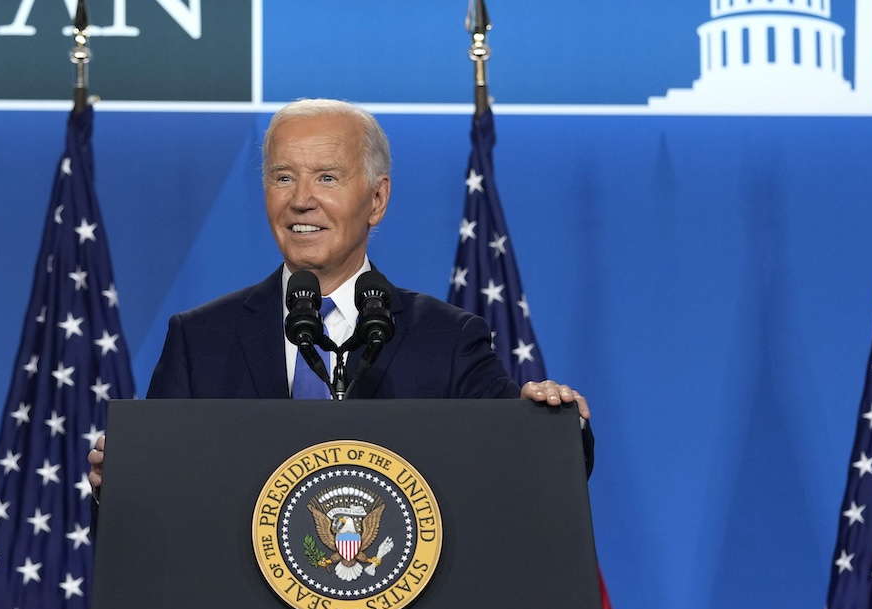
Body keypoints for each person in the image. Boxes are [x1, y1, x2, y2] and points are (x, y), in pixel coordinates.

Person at [88, 99, 591, 491]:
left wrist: (554, 423)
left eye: (326, 177)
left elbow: (525, 467)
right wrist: (123, 487)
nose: (301, 199)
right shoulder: (200, 340)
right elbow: (156, 511)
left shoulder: (448, 339)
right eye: (283, 177)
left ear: (377, 199)